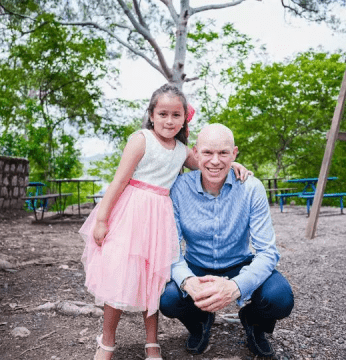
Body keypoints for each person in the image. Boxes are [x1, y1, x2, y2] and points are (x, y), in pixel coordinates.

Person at [79, 85, 250, 360]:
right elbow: (119, 180)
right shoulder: (141, 139)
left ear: (184, 119)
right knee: (120, 277)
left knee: (154, 279)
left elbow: (212, 162)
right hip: (131, 214)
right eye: (163, 114)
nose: (169, 121)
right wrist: (102, 219)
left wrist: (237, 165)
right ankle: (107, 341)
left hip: (159, 220)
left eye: (176, 115)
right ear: (151, 114)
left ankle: (152, 342)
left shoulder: (182, 150)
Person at [159, 123, 294, 358]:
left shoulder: (252, 188)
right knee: (168, 298)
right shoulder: (179, 189)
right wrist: (188, 281)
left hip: (238, 263)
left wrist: (236, 286)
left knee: (280, 298)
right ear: (196, 153)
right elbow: (171, 248)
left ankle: (253, 322)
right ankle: (199, 321)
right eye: (208, 152)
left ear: (234, 153)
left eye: (223, 153)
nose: (215, 161)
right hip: (196, 265)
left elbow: (268, 253)